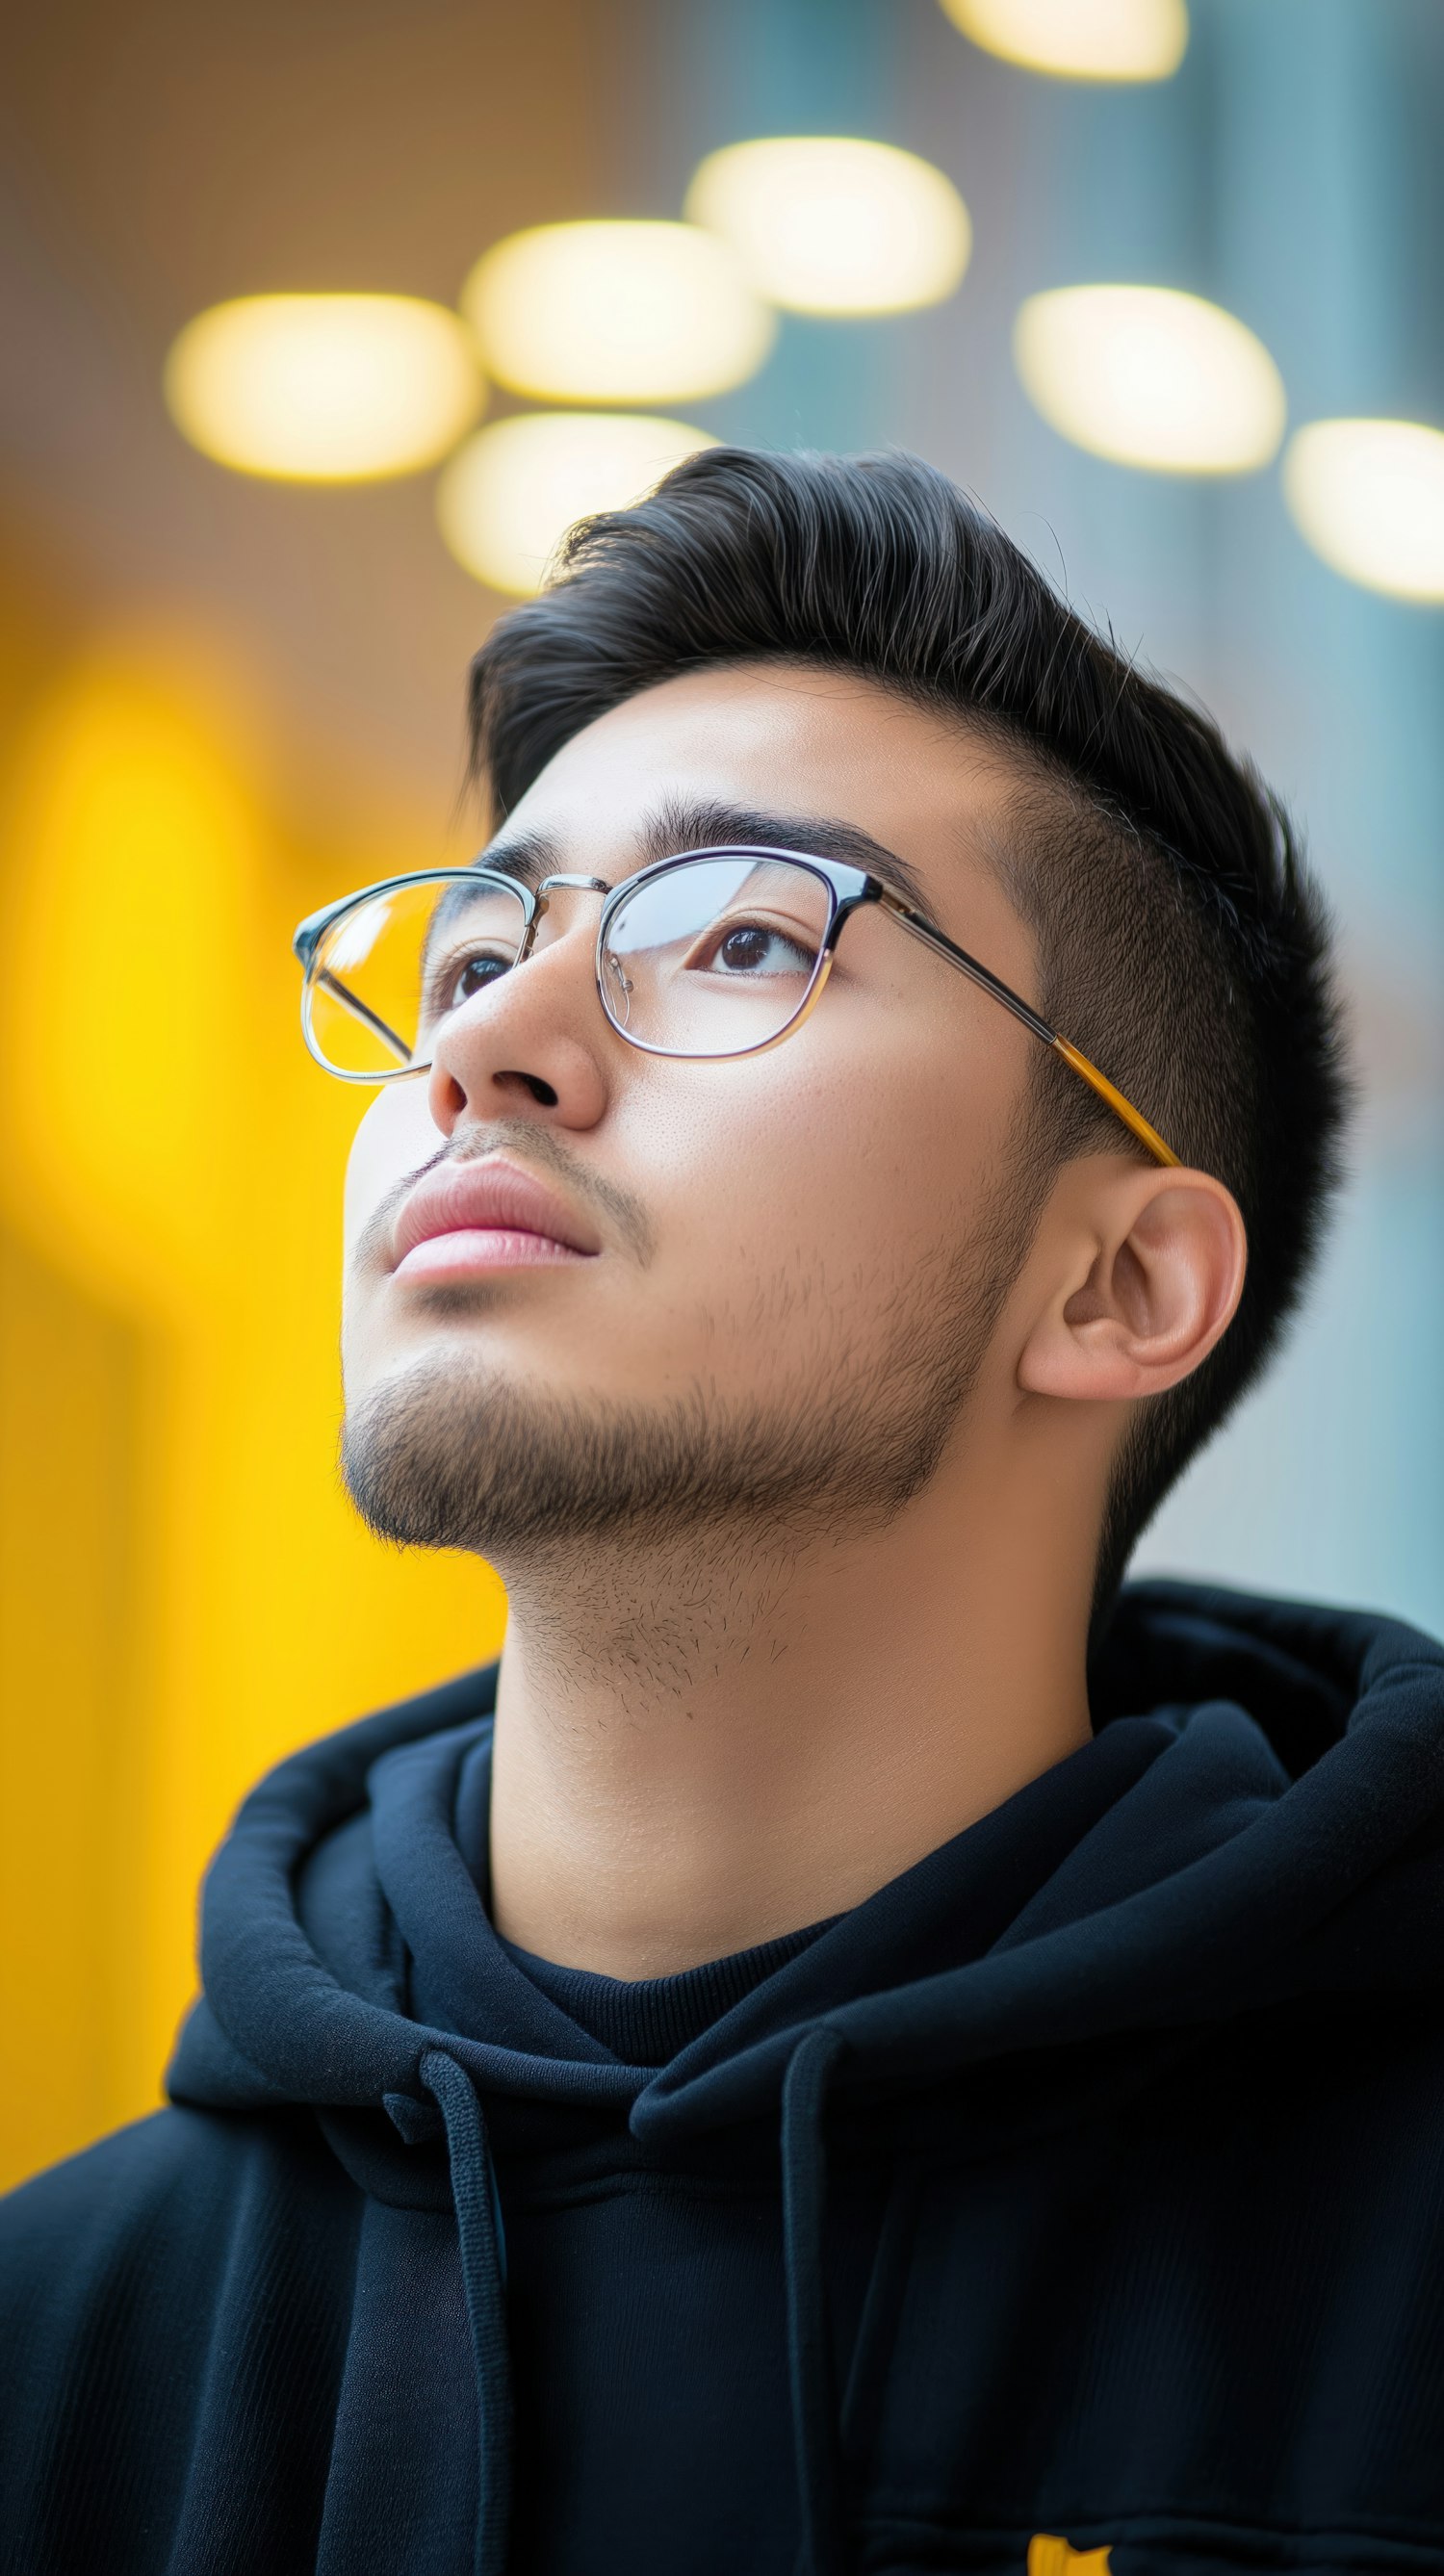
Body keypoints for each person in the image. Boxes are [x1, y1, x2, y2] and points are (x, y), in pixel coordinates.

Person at [3, 448, 1442, 2576]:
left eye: (745, 935)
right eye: (468, 949)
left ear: (1120, 1281)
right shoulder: (54, 2352)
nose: (489, 1039)